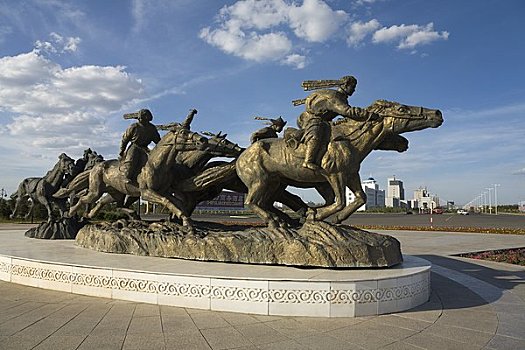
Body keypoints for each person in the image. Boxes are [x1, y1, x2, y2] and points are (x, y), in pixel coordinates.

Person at [295, 75, 380, 170]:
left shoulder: (342, 98)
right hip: (311, 119)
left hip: (325, 122)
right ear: (346, 85)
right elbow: (347, 111)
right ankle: (308, 160)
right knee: (315, 135)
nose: (354, 90)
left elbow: (347, 115)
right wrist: (368, 114)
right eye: (353, 87)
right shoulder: (333, 97)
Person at [119, 109, 161, 184]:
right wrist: (122, 150)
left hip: (145, 149)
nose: (140, 119)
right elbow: (125, 139)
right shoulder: (134, 126)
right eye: (140, 117)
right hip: (135, 147)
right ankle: (125, 176)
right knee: (131, 161)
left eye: (143, 117)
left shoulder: (152, 128)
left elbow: (158, 141)